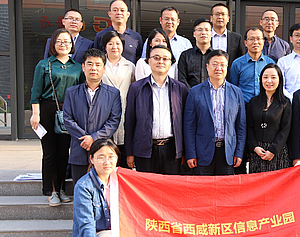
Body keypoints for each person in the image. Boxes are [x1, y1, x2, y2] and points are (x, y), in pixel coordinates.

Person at [30, 28, 84, 207]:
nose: (63, 44)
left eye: (67, 41)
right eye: (59, 41)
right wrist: (35, 114)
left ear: (72, 44)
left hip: (69, 111)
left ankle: (61, 189)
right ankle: (51, 190)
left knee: (64, 152)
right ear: (53, 44)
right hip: (47, 110)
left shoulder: (78, 66)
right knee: (50, 152)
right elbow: (35, 92)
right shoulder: (44, 65)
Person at [63, 48, 122, 186]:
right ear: (83, 67)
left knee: (104, 190)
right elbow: (67, 119)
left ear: (104, 68)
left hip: (103, 152)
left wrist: (94, 138)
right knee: (80, 188)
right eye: (89, 64)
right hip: (79, 148)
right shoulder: (72, 92)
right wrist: (85, 139)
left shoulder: (113, 94)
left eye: (97, 64)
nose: (93, 68)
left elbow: (114, 121)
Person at [125, 45, 188, 174]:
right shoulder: (136, 88)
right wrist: (129, 152)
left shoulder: (180, 88)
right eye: (156, 58)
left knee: (169, 186)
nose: (161, 62)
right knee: (146, 185)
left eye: (165, 59)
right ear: (149, 61)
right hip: (144, 150)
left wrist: (184, 151)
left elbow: (185, 122)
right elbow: (130, 122)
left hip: (172, 150)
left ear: (170, 63)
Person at [184, 49, 246, 176]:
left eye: (222, 64)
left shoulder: (236, 92)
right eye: (215, 64)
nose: (219, 68)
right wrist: (191, 154)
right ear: (207, 67)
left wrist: (239, 153)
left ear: (227, 67)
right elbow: (189, 126)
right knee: (202, 187)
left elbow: (241, 126)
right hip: (202, 153)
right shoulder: (195, 92)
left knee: (226, 188)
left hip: (228, 153)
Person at [246, 64, 292, 173]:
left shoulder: (285, 103)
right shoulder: (253, 102)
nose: (269, 81)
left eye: (273, 77)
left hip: (277, 152)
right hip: (257, 152)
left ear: (279, 80)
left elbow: (285, 129)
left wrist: (273, 150)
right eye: (265, 77)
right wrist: (254, 147)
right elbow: (249, 126)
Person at [100, 31, 136, 166]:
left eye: (118, 43)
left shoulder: (130, 66)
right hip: (104, 112)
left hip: (125, 109)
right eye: (110, 44)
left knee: (124, 151)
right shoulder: (99, 65)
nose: (114, 47)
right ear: (105, 46)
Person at [229, 27, 275, 104]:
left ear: (263, 42)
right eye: (251, 39)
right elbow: (233, 88)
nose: (255, 42)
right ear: (245, 43)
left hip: (265, 105)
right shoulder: (237, 64)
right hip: (244, 105)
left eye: (258, 39)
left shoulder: (270, 63)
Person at [94, 0, 143, 64]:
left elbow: (139, 59)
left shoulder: (136, 37)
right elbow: (96, 58)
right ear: (109, 14)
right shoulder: (100, 36)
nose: (119, 13)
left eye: (122, 10)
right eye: (115, 10)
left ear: (128, 14)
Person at [277, 23, 300, 97]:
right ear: (291, 39)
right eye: (297, 35)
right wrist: (292, 99)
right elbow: (280, 86)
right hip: (289, 101)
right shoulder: (283, 62)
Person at [178, 18, 213, 88]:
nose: (203, 33)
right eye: (200, 30)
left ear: (211, 34)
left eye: (207, 30)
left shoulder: (216, 56)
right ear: (194, 34)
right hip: (190, 94)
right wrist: (192, 92)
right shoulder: (185, 55)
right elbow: (182, 79)